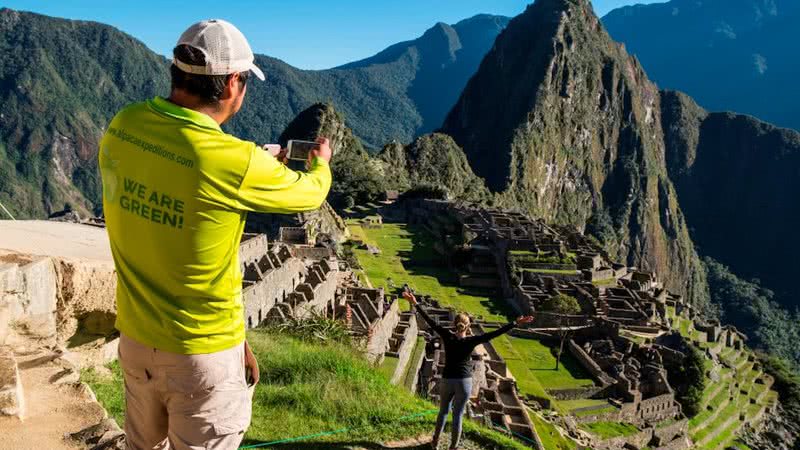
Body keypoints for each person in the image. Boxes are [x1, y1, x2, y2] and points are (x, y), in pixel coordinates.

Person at [99, 19, 332, 450]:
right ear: (230, 85)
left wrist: (252, 161)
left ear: (177, 73)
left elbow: (181, 168)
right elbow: (311, 194)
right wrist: (320, 162)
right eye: (244, 80)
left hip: (135, 341)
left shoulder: (124, 125)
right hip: (201, 357)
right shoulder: (235, 163)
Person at [402, 291, 534, 450]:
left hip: (447, 379)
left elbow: (430, 321)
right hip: (464, 382)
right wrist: (514, 323)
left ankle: (434, 443)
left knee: (443, 412)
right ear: (468, 326)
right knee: (457, 415)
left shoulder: (447, 335)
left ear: (454, 324)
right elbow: (494, 333)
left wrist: (415, 303)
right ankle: (453, 447)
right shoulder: (472, 340)